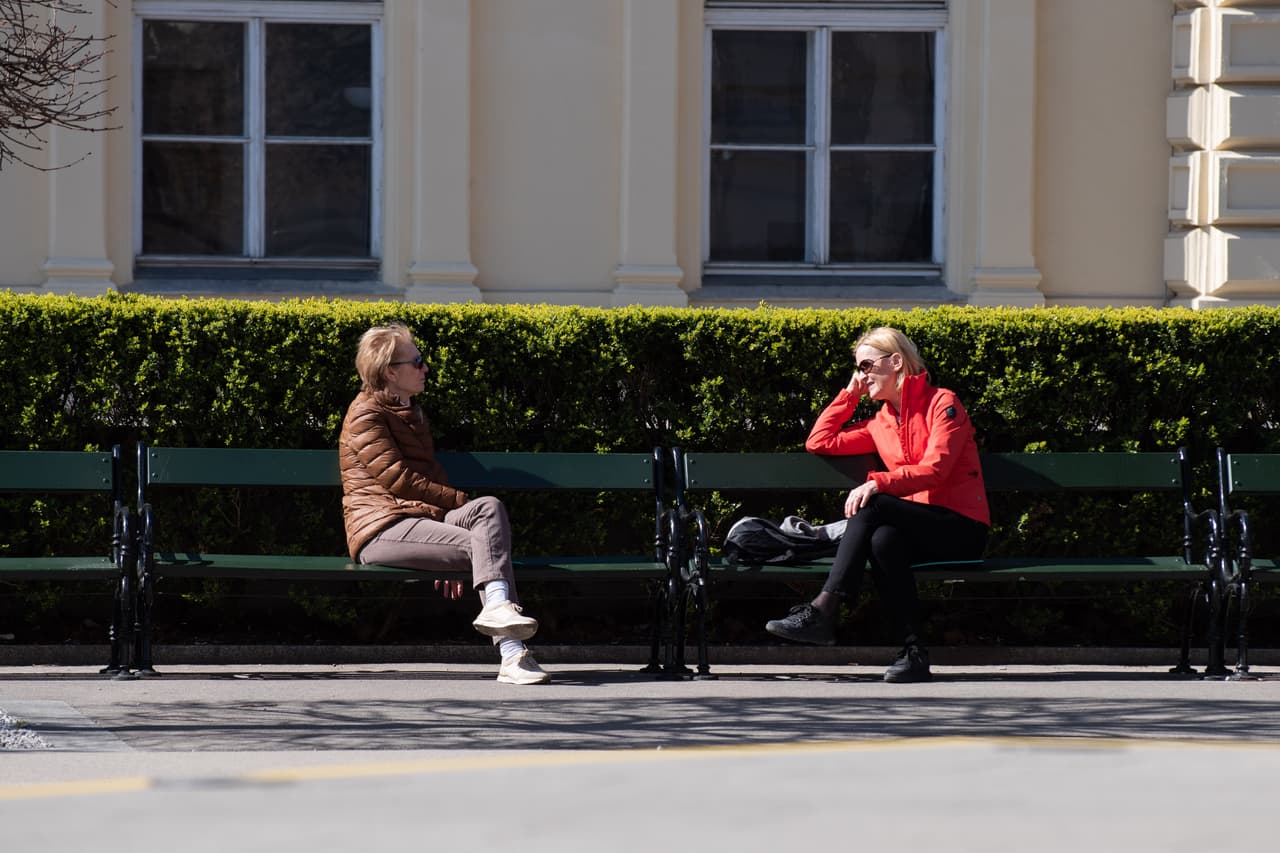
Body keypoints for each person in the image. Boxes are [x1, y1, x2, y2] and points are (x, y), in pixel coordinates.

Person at [764, 327, 990, 683]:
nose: (862, 375)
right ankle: (913, 654)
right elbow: (818, 441)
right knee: (883, 540)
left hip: (961, 529)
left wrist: (878, 482)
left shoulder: (943, 403)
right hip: (918, 529)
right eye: (859, 368)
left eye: (867, 366)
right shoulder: (879, 423)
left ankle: (824, 608)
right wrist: (849, 395)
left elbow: (937, 470)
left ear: (896, 362)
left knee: (874, 503)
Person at [338, 323, 549, 685]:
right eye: (417, 361)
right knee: (483, 546)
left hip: (418, 519)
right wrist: (456, 505)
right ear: (390, 371)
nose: (425, 367)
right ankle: (513, 655)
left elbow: (428, 478)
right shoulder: (365, 415)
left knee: (488, 508)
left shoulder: (412, 412)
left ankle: (498, 609)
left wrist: (449, 524)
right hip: (380, 527)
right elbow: (400, 480)